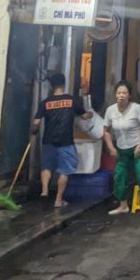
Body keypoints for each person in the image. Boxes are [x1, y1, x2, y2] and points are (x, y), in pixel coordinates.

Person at [32, 72, 91, 208]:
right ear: (64, 85)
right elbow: (84, 116)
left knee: (46, 166)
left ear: (52, 86)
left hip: (48, 140)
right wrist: (90, 114)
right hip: (65, 141)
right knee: (65, 170)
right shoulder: (71, 100)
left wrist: (34, 131)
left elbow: (36, 122)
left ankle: (44, 191)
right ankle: (58, 200)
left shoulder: (45, 102)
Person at [103, 80, 140, 216]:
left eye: (124, 93)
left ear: (129, 96)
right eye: (119, 93)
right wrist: (111, 147)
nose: (121, 95)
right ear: (115, 95)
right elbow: (106, 131)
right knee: (120, 176)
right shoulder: (110, 110)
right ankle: (123, 205)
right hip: (122, 149)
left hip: (138, 147)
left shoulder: (136, 108)